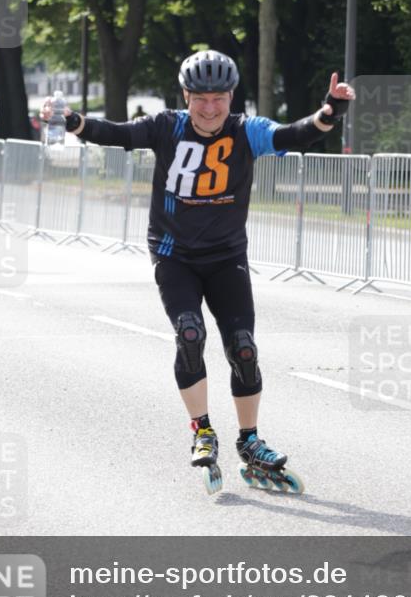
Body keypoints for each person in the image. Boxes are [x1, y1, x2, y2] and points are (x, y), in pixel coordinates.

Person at [41, 50, 355, 494]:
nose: (210, 108)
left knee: (243, 348)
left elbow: (294, 134)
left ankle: (250, 441)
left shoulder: (248, 131)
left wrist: (330, 111)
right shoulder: (167, 126)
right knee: (190, 334)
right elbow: (115, 133)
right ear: (186, 96)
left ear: (231, 96)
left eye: (219, 98)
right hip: (175, 254)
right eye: (200, 99)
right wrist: (72, 120)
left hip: (226, 255)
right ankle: (202, 429)